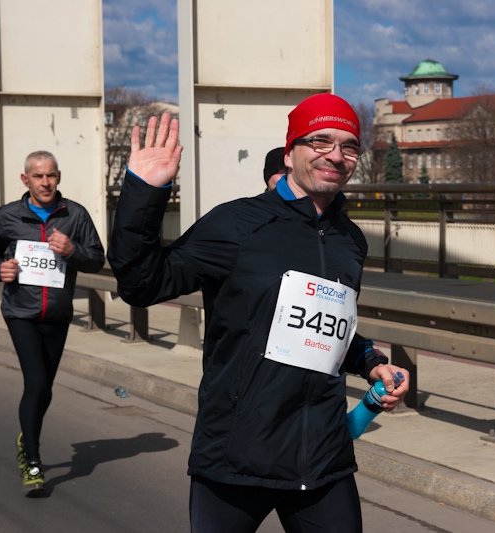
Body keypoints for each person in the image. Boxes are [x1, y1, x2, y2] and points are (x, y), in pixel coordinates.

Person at [107, 93, 409, 532]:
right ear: (290, 153)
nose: (336, 155)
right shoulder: (236, 224)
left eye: (348, 146)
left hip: (321, 458)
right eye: (320, 141)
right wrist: (145, 192)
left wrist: (370, 362)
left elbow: (319, 330)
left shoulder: (350, 240)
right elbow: (141, 284)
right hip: (237, 456)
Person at [0, 151, 105, 494]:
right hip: (20, 312)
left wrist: (72, 250)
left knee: (45, 387)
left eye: (50, 175)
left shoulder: (75, 214)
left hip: (58, 314)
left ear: (58, 177)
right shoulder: (8, 216)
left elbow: (96, 258)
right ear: (25, 180)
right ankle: (32, 459)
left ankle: (27, 432)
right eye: (38, 176)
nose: (45, 182)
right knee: (35, 382)